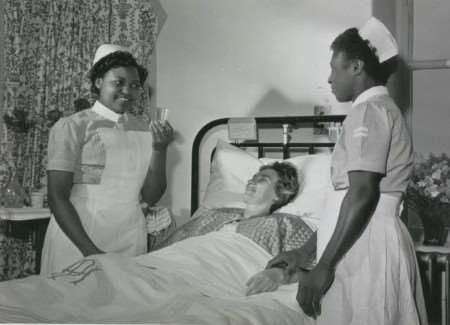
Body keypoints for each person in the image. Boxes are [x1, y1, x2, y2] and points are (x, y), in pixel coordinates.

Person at [266, 17, 429, 324]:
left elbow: (363, 194)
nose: (329, 79)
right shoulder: (375, 109)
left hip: (366, 245)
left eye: (333, 67)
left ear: (355, 67)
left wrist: (324, 265)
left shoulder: (369, 111)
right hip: (362, 239)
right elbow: (344, 203)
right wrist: (304, 253)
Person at [40, 44, 174, 275]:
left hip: (130, 238)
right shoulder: (72, 127)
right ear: (99, 82)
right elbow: (57, 197)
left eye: (134, 86)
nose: (127, 91)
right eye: (118, 82)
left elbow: (151, 195)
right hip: (79, 240)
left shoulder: (146, 129)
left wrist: (160, 149)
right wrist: (90, 251)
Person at [156, 161, 314, 294]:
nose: (252, 181)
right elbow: (176, 242)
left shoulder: (285, 223)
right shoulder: (215, 214)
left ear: (279, 195)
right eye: (253, 178)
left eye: (262, 180)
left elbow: (312, 263)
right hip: (178, 264)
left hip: (225, 272)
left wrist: (276, 273)